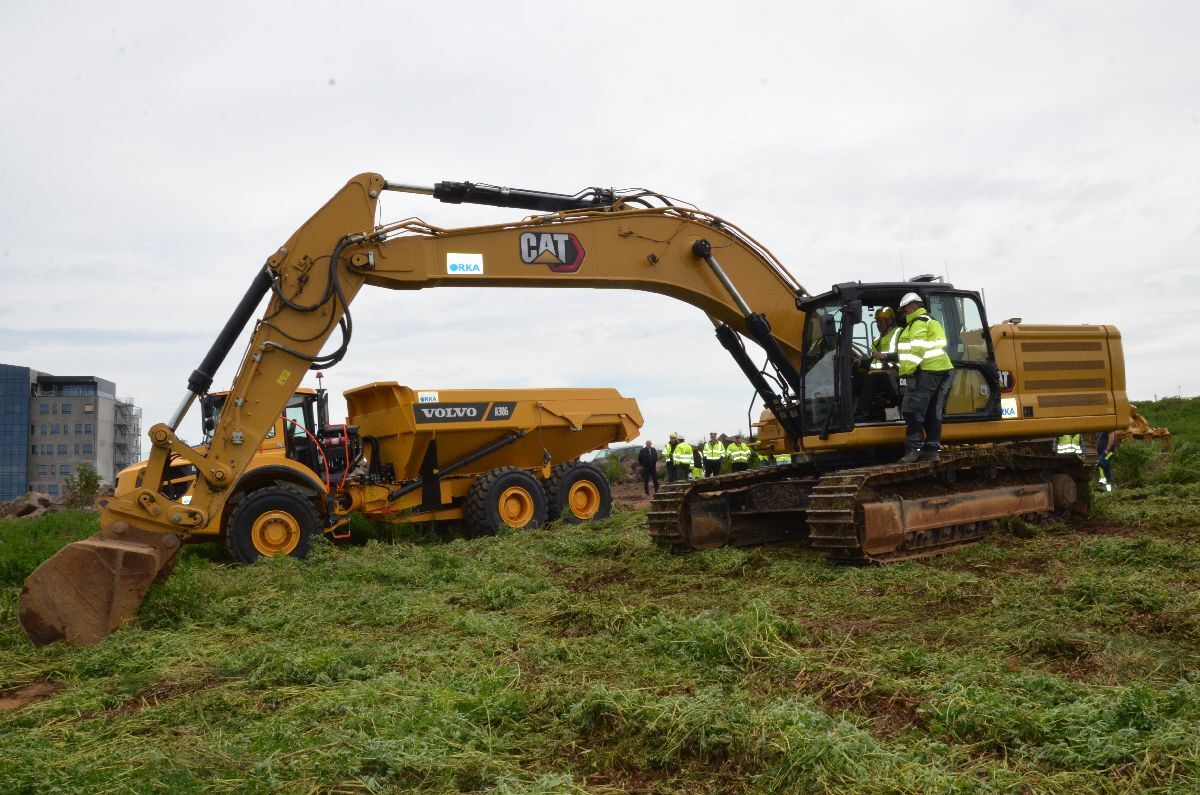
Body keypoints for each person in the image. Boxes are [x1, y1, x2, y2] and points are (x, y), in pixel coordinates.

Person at [875, 292, 954, 463]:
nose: (903, 313)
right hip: (940, 369)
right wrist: (889, 357)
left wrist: (908, 371)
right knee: (933, 411)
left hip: (926, 370)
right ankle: (932, 450)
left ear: (914, 306)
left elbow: (917, 350)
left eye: (904, 310)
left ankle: (914, 449)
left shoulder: (918, 323)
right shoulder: (928, 320)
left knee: (912, 410)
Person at [855, 306, 902, 422]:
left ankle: (863, 413)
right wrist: (859, 362)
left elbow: (905, 355)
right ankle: (850, 411)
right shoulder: (877, 340)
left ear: (890, 321)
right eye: (876, 322)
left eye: (880, 321)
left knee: (870, 378)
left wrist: (885, 356)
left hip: (895, 373)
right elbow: (873, 360)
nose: (878, 325)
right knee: (854, 379)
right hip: (880, 373)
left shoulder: (900, 334)